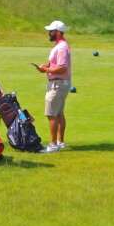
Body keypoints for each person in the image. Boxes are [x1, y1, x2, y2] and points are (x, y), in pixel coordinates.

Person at [35, 20, 71, 153]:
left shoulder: (61, 47)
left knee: (51, 114)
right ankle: (60, 142)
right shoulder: (59, 45)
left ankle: (53, 144)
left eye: (51, 31)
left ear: (58, 32)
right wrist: (47, 66)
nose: (48, 33)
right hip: (60, 83)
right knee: (59, 113)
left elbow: (62, 68)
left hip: (58, 84)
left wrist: (47, 70)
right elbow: (57, 65)